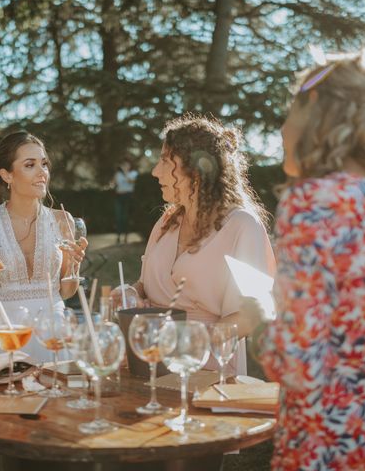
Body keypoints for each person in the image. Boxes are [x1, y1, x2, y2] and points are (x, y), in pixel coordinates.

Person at [251, 49, 365, 469]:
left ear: (314, 107)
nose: (281, 128)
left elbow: (300, 364)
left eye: (289, 109)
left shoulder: (314, 202)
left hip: (330, 439)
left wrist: (260, 321)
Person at [0, 131, 87, 470]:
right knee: (5, 437)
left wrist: (73, 267)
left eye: (44, 164)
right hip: (4, 338)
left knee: (58, 436)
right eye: (29, 165)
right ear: (7, 175)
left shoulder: (62, 221)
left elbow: (65, 292)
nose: (42, 172)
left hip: (54, 337)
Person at [114, 114, 276, 376]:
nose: (156, 172)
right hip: (149, 363)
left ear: (196, 169)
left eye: (166, 161)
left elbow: (252, 316)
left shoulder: (241, 227)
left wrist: (187, 341)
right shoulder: (166, 222)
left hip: (208, 371)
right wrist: (131, 293)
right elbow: (144, 286)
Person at [112, 159, 138, 243]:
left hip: (128, 197)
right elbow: (114, 183)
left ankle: (126, 237)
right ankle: (118, 236)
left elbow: (131, 181)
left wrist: (125, 172)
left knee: (126, 217)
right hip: (119, 196)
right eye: (124, 165)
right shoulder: (118, 174)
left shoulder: (133, 174)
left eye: (127, 165)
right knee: (118, 217)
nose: (125, 167)